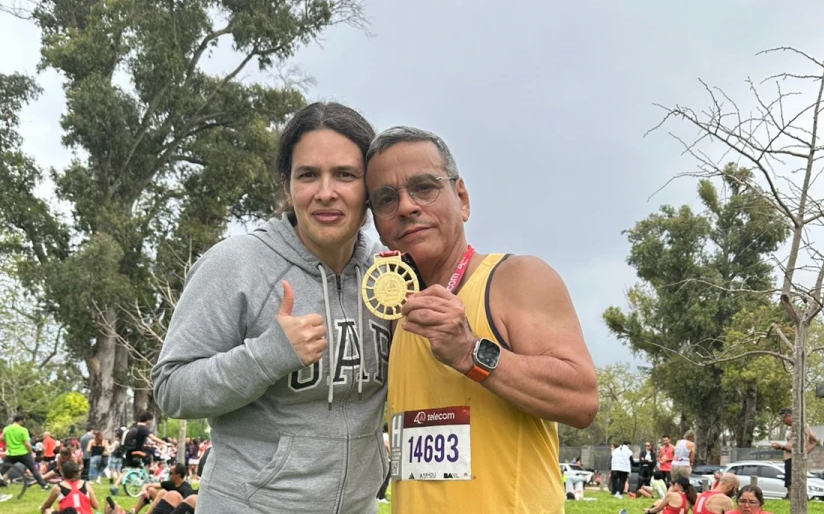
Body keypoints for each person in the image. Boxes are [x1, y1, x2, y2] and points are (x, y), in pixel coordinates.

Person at [153, 103, 389, 513]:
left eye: (345, 175)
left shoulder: (387, 275)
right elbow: (172, 389)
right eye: (308, 174)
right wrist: (266, 356)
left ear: (368, 187)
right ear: (286, 186)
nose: (325, 192)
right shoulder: (238, 264)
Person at [365, 126, 598, 514]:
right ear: (377, 223)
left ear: (462, 199)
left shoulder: (516, 278)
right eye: (386, 199)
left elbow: (581, 401)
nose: (406, 206)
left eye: (424, 187)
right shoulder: (394, 314)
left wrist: (470, 353)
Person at [772, 407, 818, 497]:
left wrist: (781, 446)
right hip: (790, 459)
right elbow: (814, 441)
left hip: (793, 460)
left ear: (789, 416)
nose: (783, 422)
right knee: (789, 484)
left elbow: (796, 449)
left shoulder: (799, 427)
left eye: (783, 419)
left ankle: (793, 502)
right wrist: (804, 453)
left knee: (791, 485)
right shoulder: (796, 427)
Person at [0, 413, 49, 489]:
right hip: (23, 453)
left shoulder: (6, 429)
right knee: (33, 469)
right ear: (21, 421)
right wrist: (31, 452)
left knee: (2, 470)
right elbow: (27, 444)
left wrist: (9, 441)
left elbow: (2, 438)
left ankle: (1, 483)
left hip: (11, 453)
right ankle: (44, 485)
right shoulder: (23, 430)